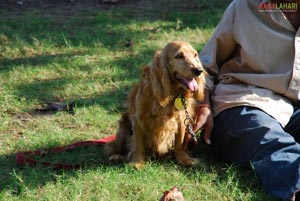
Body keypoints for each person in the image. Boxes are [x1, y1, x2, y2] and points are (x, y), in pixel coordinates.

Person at [193, 0, 300, 200]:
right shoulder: (244, 7)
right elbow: (204, 67)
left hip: (293, 108)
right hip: (242, 103)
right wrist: (203, 104)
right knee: (272, 140)